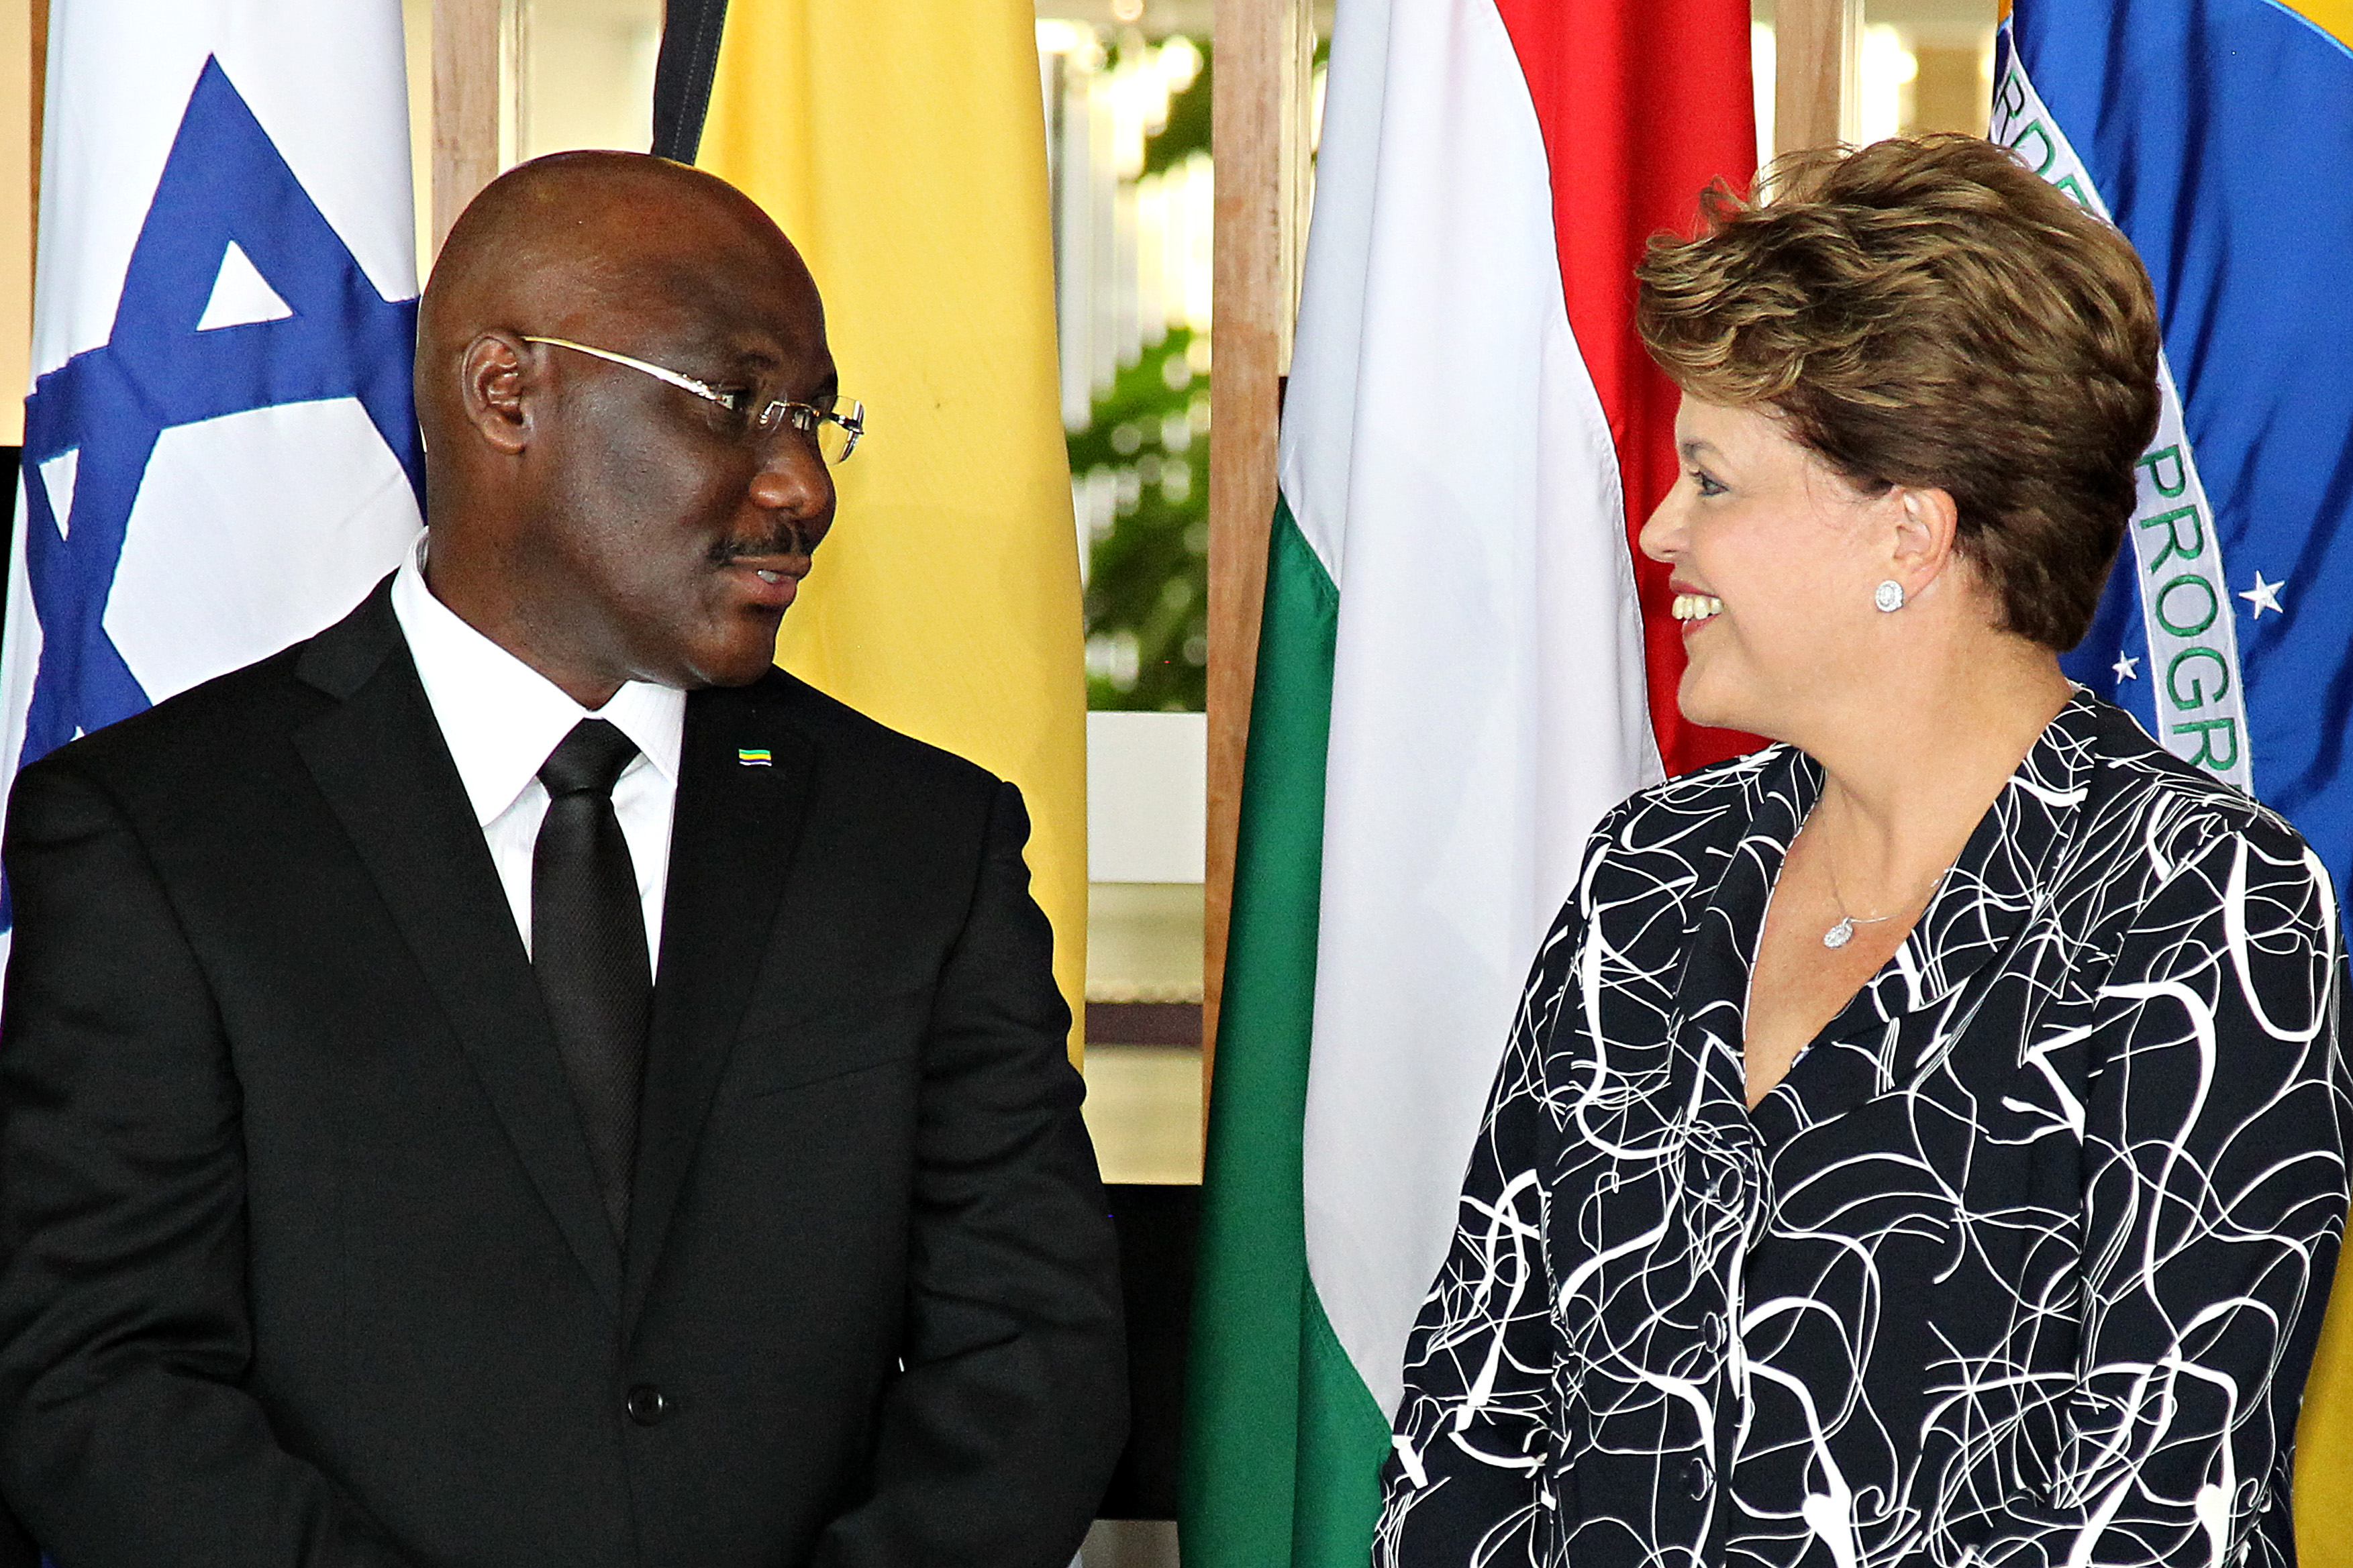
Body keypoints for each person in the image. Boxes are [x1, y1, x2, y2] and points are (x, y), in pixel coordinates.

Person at [0, 151, 1125, 1567]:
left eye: (814, 418)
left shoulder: (919, 842)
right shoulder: (161, 834)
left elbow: (1033, 1351)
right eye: (738, 403)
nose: (800, 484)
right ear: (507, 392)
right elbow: (102, 1377)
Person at [1376, 134, 2348, 1568]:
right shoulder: (1646, 877)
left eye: (1712, 479)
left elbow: (2154, 1509)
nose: (1659, 529)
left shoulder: (2201, 908)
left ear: (1907, 528)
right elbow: (1471, 1421)